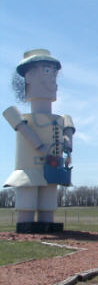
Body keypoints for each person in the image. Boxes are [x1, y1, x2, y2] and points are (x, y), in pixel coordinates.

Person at [3, 49, 75, 233]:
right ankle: (25, 223)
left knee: (48, 199)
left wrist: (67, 144)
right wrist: (40, 147)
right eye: (46, 71)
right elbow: (25, 132)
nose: (51, 79)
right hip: (29, 168)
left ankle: (47, 222)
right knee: (28, 196)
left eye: (53, 72)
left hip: (53, 166)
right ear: (28, 77)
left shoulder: (62, 118)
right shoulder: (19, 117)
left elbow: (68, 135)